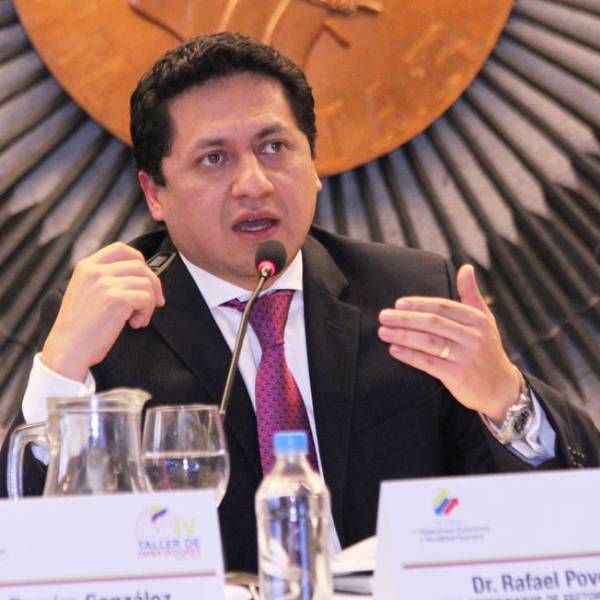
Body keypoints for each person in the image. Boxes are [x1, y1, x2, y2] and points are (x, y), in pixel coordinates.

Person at [17, 32, 600, 571]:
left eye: (274, 147)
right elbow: (30, 551)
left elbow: (566, 506)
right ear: (154, 193)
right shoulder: (113, 326)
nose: (254, 183)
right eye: (214, 158)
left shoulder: (408, 294)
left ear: (314, 164)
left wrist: (506, 400)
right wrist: (60, 372)